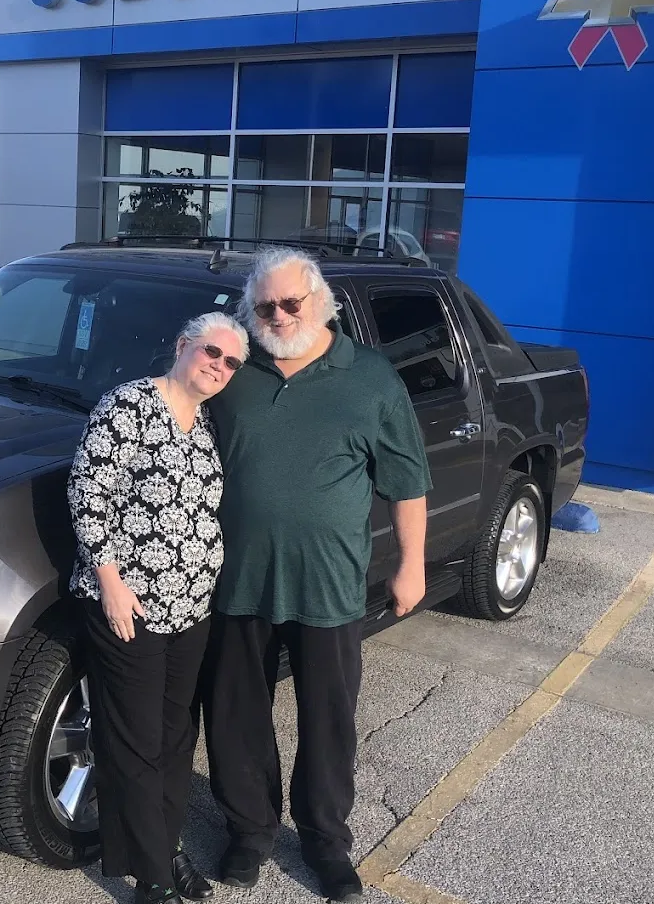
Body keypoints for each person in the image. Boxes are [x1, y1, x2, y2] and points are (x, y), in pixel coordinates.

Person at [202, 247, 432, 904]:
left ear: (320, 301)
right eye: (264, 306)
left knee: (328, 717)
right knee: (235, 712)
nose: (276, 316)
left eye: (289, 304)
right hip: (237, 580)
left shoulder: (370, 378)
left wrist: (410, 566)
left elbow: (408, 481)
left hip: (329, 586)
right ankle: (249, 829)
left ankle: (325, 840)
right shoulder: (232, 368)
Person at [69, 311, 251, 904]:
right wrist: (111, 581)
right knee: (136, 742)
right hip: (131, 606)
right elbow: (87, 490)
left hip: (191, 610)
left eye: (231, 362)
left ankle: (166, 851)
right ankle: (152, 878)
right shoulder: (130, 405)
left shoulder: (205, 424)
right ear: (182, 346)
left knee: (175, 739)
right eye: (211, 352)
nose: (219, 366)